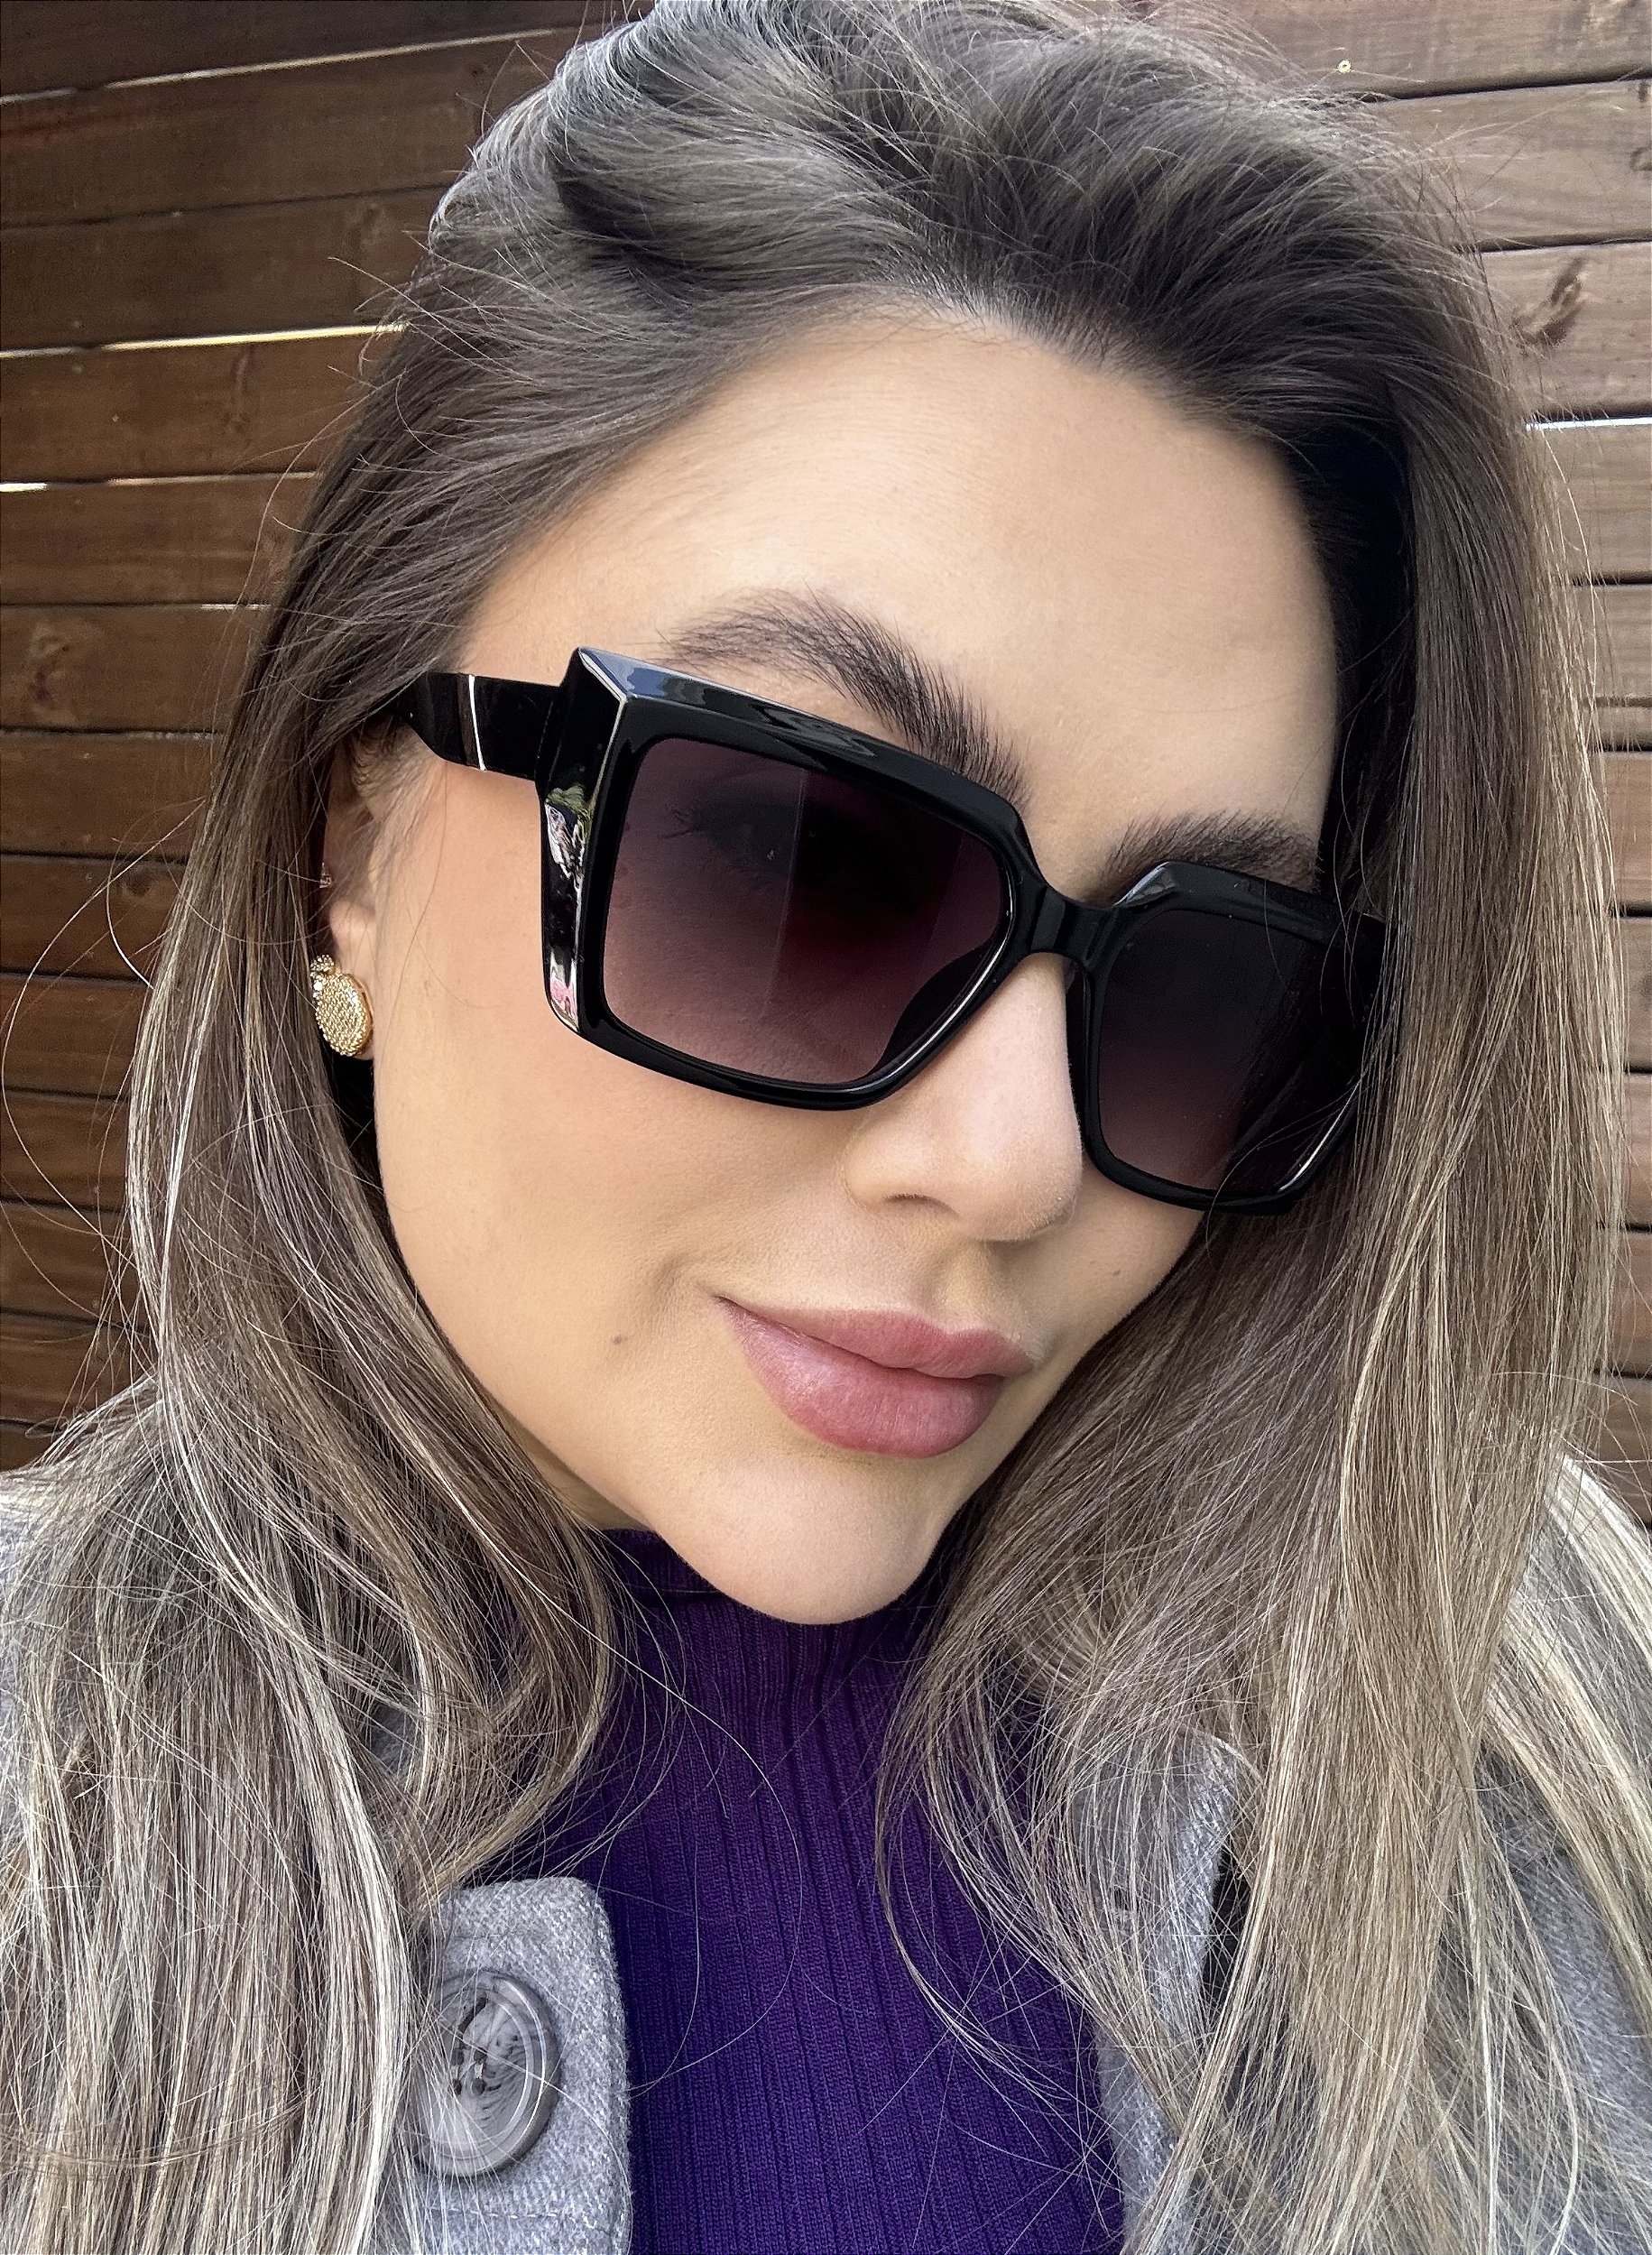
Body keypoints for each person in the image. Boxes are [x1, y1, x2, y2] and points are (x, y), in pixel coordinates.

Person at [2, 3, 1648, 2250]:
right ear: (345, 848)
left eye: (1202, 979)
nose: (1017, 1161)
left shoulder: (1523, 1679)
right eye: (793, 860)